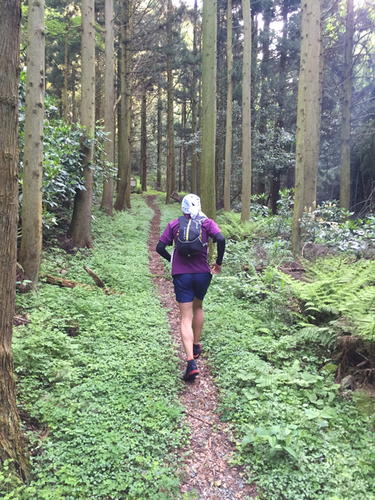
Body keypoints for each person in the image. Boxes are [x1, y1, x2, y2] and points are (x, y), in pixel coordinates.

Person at [156, 194, 225, 382]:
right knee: (198, 307)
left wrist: (172, 260)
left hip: (181, 275)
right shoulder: (207, 223)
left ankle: (190, 363)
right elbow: (221, 239)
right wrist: (218, 263)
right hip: (202, 273)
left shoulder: (174, 225)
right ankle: (196, 345)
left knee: (185, 317)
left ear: (183, 207)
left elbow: (159, 247)